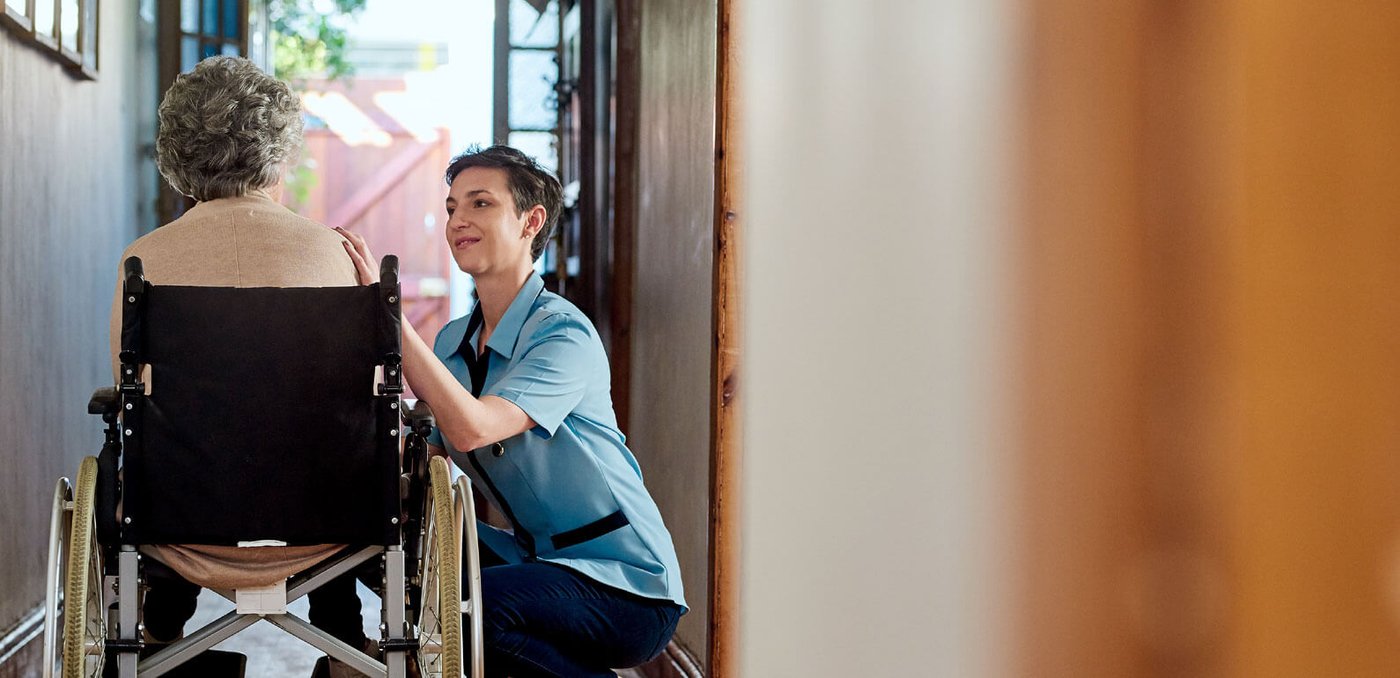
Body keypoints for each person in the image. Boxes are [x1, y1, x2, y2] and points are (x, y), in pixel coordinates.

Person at [340, 145, 685, 677]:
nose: (458, 220)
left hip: (627, 584)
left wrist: (388, 316)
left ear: (531, 221)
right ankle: (349, 658)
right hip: (536, 560)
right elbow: (427, 456)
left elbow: (471, 428)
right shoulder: (454, 340)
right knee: (378, 545)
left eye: (480, 203)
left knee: (477, 609)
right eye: (452, 207)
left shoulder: (563, 334)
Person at [108, 55, 368, 665]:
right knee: (333, 446)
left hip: (182, 508)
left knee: (170, 442)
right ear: (277, 147)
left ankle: (162, 635)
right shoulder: (335, 254)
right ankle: (345, 645)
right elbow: (362, 388)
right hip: (325, 510)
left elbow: (130, 384)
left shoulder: (143, 261)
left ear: (177, 152)